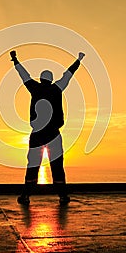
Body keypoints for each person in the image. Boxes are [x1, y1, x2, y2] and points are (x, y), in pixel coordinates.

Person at [10, 49, 85, 205]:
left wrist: (15, 60)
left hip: (37, 134)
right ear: (51, 80)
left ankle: (25, 196)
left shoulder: (35, 88)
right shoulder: (57, 88)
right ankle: (63, 196)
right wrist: (78, 60)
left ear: (41, 79)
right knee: (57, 167)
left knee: (32, 166)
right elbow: (68, 74)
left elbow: (24, 75)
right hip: (54, 134)